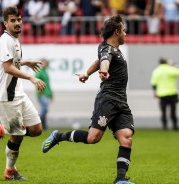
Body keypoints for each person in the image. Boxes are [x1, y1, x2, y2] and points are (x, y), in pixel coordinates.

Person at [42, 15, 135, 184]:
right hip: (108, 100)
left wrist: (86, 73)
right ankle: (58, 137)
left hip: (121, 102)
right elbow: (104, 61)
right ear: (116, 32)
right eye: (123, 31)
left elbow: (99, 61)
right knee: (93, 138)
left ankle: (120, 180)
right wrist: (104, 71)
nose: (125, 34)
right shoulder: (107, 49)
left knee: (126, 137)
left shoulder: (110, 49)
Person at [0, 6, 46, 181]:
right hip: (7, 96)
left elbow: (12, 61)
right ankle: (10, 171)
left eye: (19, 19)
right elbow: (7, 67)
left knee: (37, 129)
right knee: (18, 136)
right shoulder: (5, 40)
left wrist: (26, 61)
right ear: (5, 23)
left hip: (18, 93)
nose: (17, 23)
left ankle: (2, 129)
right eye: (12, 20)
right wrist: (30, 77)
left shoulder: (14, 40)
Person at [150, 58, 179, 131]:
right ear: (166, 62)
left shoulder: (156, 71)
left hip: (162, 94)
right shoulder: (171, 69)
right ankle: (175, 126)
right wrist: (175, 64)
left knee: (163, 111)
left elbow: (153, 83)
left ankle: (164, 126)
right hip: (172, 93)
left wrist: (155, 92)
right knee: (173, 111)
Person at [35, 58, 53, 130]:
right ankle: (37, 125)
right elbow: (37, 83)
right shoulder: (39, 72)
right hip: (42, 94)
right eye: (43, 63)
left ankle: (44, 127)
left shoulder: (45, 72)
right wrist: (39, 92)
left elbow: (48, 84)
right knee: (44, 110)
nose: (44, 64)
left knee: (45, 110)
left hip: (46, 93)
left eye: (45, 62)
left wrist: (51, 94)